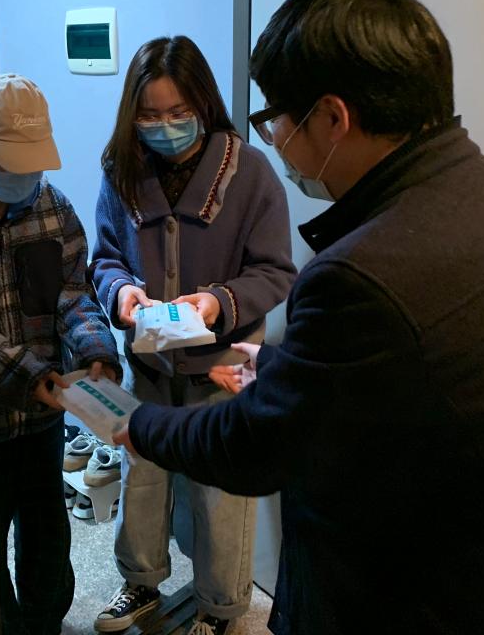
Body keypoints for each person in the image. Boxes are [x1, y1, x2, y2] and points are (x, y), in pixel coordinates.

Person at [113, 0, 484, 635]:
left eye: (278, 116)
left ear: (333, 119)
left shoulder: (361, 273)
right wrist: (281, 365)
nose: (276, 135)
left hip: (410, 604)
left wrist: (138, 426)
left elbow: (258, 447)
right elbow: (404, 376)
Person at [89, 36, 296, 635]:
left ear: (204, 104)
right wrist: (121, 293)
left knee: (220, 498)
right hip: (149, 366)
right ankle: (140, 582)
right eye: (149, 115)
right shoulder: (122, 169)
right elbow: (105, 257)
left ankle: (220, 608)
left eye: (178, 112)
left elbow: (275, 270)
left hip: (223, 369)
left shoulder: (250, 172)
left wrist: (216, 303)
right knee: (142, 484)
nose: (164, 127)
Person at [0, 73, 121, 635]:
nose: (25, 180)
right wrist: (32, 377)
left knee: (47, 536)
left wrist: (95, 353)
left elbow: (73, 295)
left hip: (44, 421)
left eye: (34, 166)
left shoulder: (53, 210)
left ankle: (46, 623)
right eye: (12, 165)